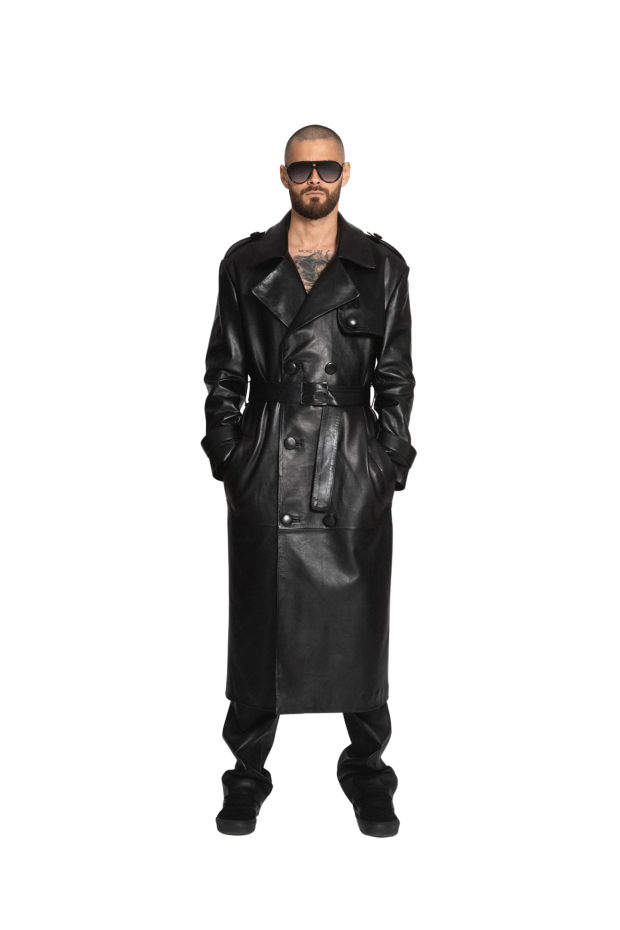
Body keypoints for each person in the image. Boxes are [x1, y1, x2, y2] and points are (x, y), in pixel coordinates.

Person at [200, 124, 417, 838]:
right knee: (257, 623)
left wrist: (387, 463)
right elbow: (224, 372)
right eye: (302, 169)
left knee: (361, 626)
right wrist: (231, 456)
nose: (314, 179)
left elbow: (395, 376)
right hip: (268, 463)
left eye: (326, 167)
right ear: (283, 176)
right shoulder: (244, 263)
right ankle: (246, 774)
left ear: (346, 173)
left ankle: (368, 772)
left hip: (351, 467)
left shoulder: (382, 265)